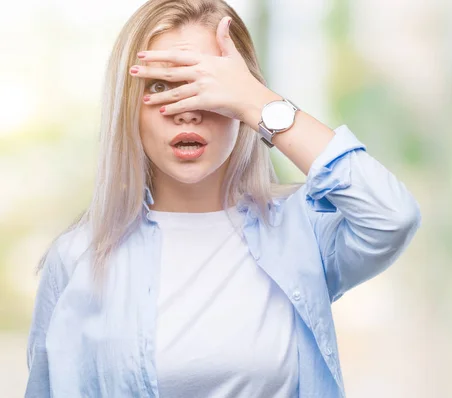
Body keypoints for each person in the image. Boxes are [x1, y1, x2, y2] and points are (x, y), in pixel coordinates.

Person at [24, 0, 421, 397]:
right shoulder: (78, 258)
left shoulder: (304, 236)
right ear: (129, 107)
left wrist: (258, 102)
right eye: (160, 86)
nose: (186, 111)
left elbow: (391, 216)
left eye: (208, 84)